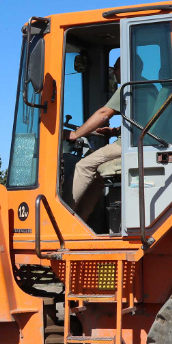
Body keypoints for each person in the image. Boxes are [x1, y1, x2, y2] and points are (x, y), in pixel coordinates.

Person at [68, 57, 123, 221]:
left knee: (83, 166)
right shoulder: (148, 89)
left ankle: (63, 217)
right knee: (98, 176)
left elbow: (103, 114)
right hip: (133, 141)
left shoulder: (127, 88)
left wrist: (75, 134)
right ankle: (80, 221)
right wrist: (114, 132)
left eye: (116, 67)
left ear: (127, 67)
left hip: (127, 144)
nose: (114, 72)